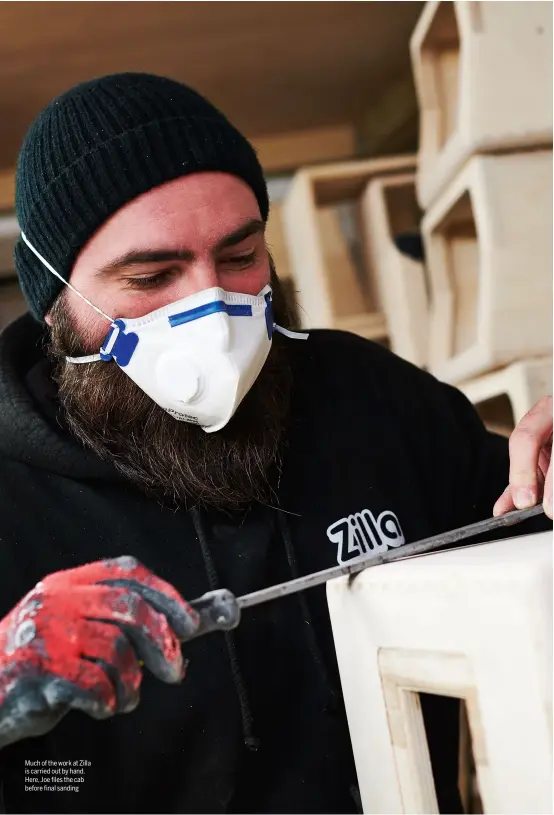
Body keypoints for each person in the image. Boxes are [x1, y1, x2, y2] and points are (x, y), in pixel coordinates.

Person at [0, 72, 551, 815]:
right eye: (152, 275)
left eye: (238, 256)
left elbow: (525, 526)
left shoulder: (371, 400)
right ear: (57, 303)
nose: (212, 311)